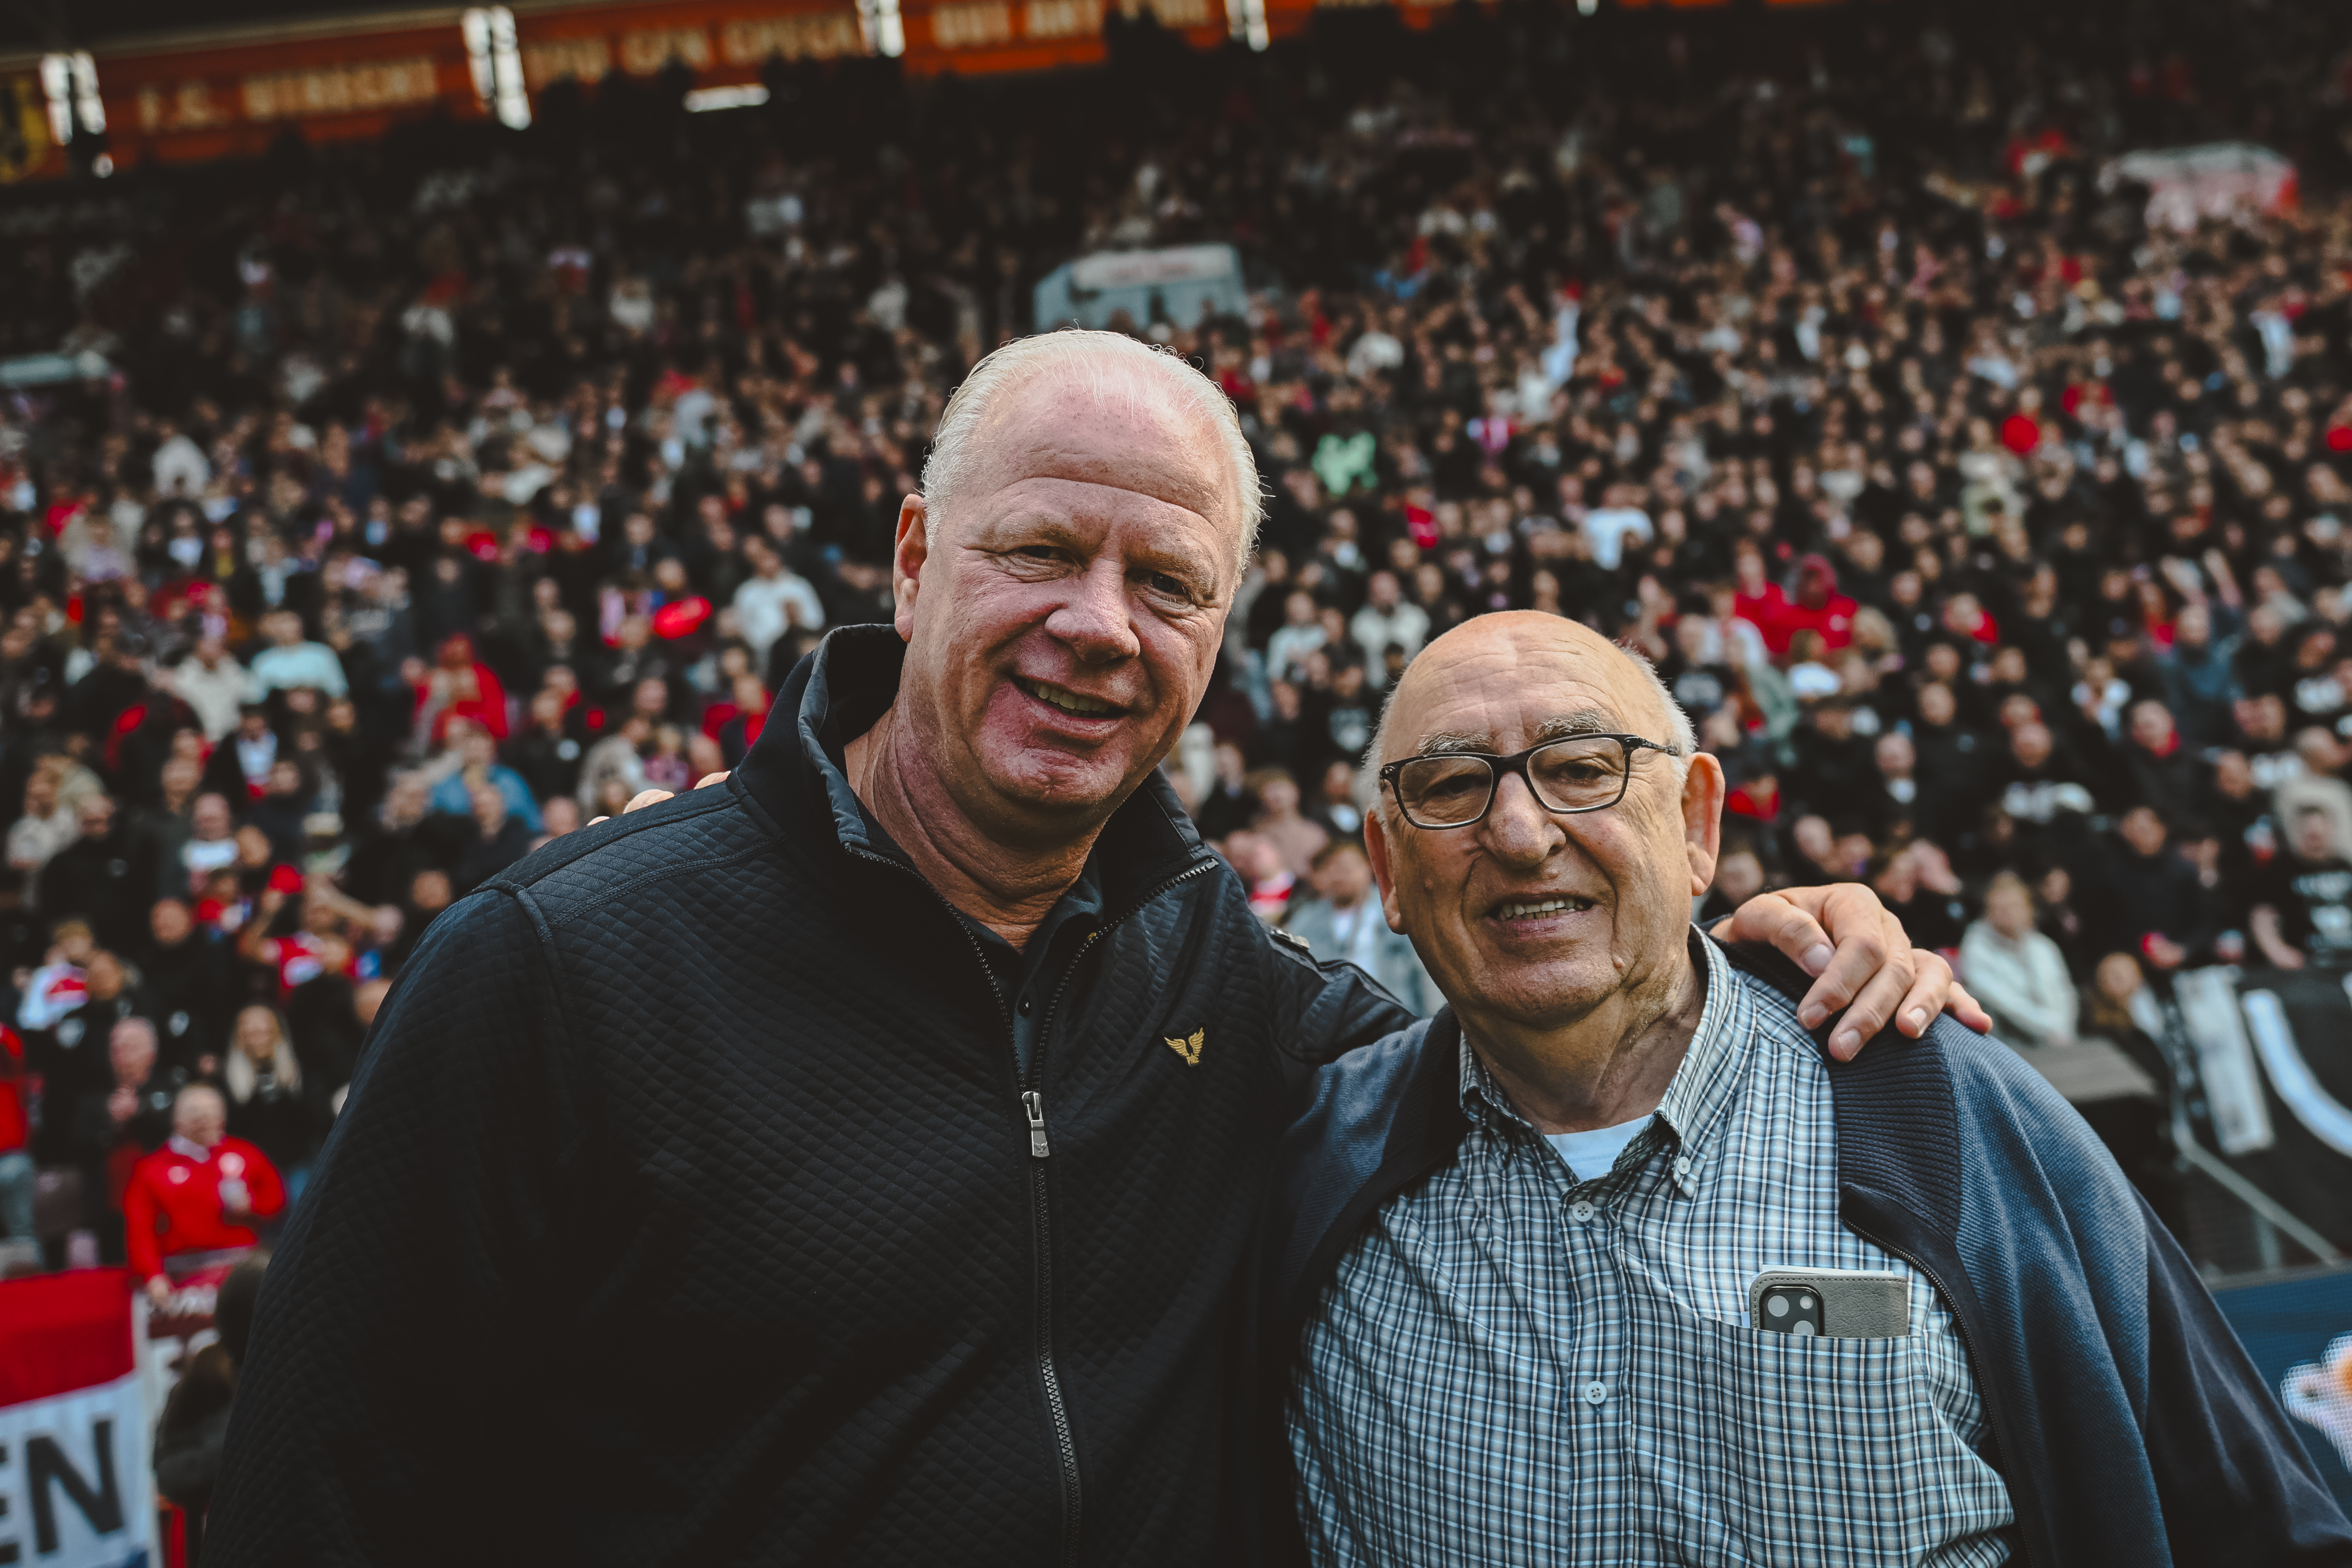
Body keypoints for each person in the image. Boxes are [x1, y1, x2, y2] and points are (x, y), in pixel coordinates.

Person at [208, 333, 1967, 1564]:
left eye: (1166, 583)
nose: (1095, 628)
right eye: (1038, 552)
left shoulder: (1246, 995)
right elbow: (315, 1506)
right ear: (912, 562)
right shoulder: (558, 970)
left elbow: (1536, 1021)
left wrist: (1741, 946)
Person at [1265, 612, 2351, 1565]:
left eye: (1583, 766)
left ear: (1697, 825)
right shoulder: (1310, 1162)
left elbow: (2253, 1530)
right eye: (1450, 786)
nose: (1517, 830)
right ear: (1389, 868)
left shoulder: (1945, 1113)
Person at [123, 1083, 285, 1309]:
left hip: (243, 1271)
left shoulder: (246, 1153)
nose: (205, 1117)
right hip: (183, 1277)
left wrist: (253, 1206)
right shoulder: (151, 1169)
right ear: (176, 1119)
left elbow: (276, 1199)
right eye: (195, 1111)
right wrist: (152, 1276)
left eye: (212, 1110)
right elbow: (140, 1229)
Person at [1282, 841, 1437, 1016]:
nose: (1342, 875)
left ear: (1369, 868)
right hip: (1334, 1020)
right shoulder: (1306, 921)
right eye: (1333, 868)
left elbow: (1426, 971)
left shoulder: (1398, 910)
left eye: (1349, 867)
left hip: (1398, 1013)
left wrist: (1434, 1021)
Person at [1959, 871, 2080, 1049]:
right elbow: (2007, 1004)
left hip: (2059, 1040)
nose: (2008, 912)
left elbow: (2066, 994)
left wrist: (2065, 1030)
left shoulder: (2043, 946)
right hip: (2007, 1044)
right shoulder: (1976, 946)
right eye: (2001, 907)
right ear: (1989, 912)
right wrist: (2051, 1029)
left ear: (2028, 909)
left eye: (2014, 905)